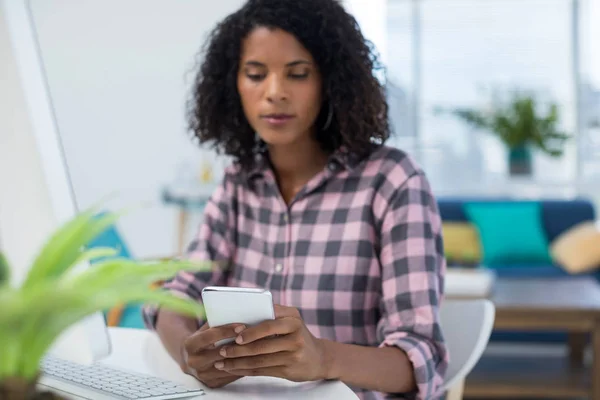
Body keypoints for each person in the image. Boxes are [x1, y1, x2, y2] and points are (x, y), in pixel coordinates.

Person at [143, 0, 448, 399]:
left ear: (330, 80)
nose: (274, 93)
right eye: (255, 74)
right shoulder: (238, 183)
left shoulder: (392, 182)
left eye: (298, 74)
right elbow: (175, 298)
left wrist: (322, 357)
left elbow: (420, 360)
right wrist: (189, 354)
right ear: (233, 84)